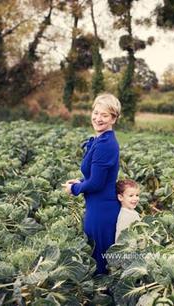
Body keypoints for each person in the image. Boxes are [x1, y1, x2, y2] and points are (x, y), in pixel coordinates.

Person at [62, 93, 121, 275]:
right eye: (96, 113)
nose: (98, 118)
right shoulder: (100, 140)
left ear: (113, 119)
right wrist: (80, 181)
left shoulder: (105, 144)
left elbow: (96, 183)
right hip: (96, 206)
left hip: (102, 212)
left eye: (105, 115)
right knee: (96, 258)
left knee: (100, 264)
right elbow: (97, 178)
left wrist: (75, 188)